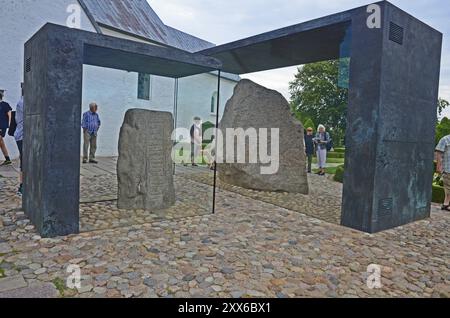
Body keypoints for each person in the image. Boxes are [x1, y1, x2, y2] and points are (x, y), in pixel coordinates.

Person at [436, 134, 450, 211]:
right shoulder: (445, 139)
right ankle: (445, 205)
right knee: (448, 188)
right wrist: (438, 166)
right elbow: (439, 154)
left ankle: (446, 204)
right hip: (448, 169)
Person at [15, 83, 24, 195]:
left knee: (25, 160)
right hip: (23, 136)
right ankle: (22, 186)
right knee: (25, 161)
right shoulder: (23, 102)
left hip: (22, 135)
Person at [0, 90, 12, 166]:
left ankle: (7, 160)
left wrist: (9, 125)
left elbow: (9, 115)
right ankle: (7, 159)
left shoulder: (5, 105)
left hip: (2, 126)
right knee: (1, 143)